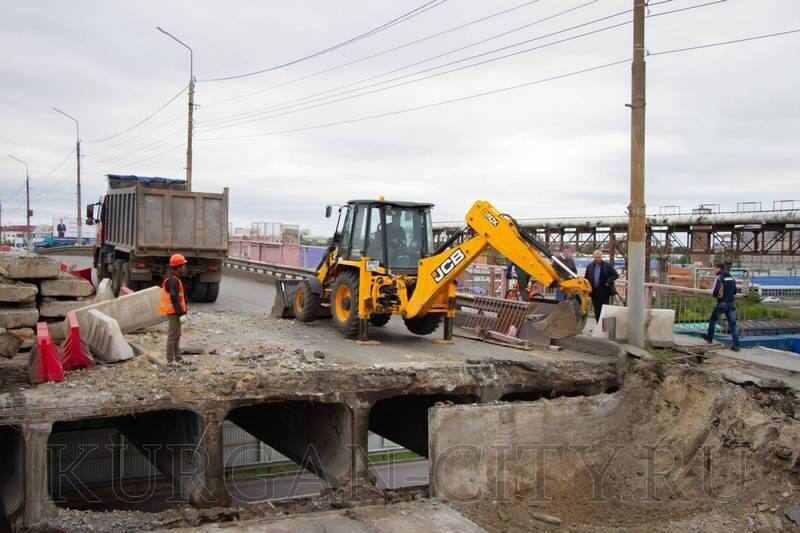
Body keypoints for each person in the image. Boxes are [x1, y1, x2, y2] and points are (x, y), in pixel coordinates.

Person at [702, 262, 740, 351]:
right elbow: (735, 291)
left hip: (722, 303)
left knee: (713, 319)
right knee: (733, 325)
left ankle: (709, 338)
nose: (715, 270)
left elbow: (714, 292)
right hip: (731, 303)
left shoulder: (719, 278)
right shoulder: (731, 278)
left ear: (719, 268)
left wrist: (717, 296)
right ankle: (736, 345)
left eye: (715, 268)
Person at [158, 253, 188, 363]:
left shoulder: (173, 278)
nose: (184, 268)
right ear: (178, 267)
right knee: (173, 336)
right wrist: (181, 314)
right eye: (183, 266)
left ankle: (178, 358)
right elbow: (174, 298)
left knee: (177, 335)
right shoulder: (173, 280)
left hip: (175, 311)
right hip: (174, 312)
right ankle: (170, 360)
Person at [584, 250, 619, 320]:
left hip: (604, 292)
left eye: (599, 257)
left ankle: (603, 328)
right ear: (593, 257)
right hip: (594, 292)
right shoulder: (589, 267)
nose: (598, 259)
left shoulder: (607, 265)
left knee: (604, 310)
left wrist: (608, 281)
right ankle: (598, 327)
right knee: (596, 310)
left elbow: (615, 275)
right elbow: (586, 278)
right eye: (596, 257)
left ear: (601, 257)